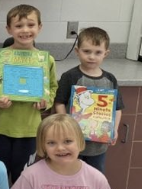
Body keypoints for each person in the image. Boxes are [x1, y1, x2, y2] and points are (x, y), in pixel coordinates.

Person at [0, 4, 57, 185]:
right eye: (18, 26)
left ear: (40, 27)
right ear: (9, 29)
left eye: (31, 25)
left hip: (30, 130)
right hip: (1, 128)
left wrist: (45, 102)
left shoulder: (46, 60)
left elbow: (52, 88)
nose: (25, 30)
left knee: (24, 177)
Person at [53, 27, 124, 174]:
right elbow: (59, 103)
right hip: (71, 142)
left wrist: (114, 129)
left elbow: (117, 108)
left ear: (106, 54)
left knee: (94, 177)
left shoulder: (110, 79)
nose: (92, 56)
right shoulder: (70, 76)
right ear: (77, 51)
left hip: (98, 146)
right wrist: (67, 125)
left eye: (98, 52)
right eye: (87, 51)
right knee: (68, 176)